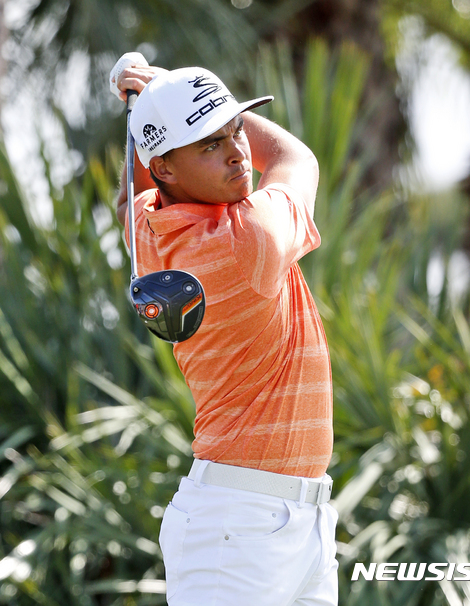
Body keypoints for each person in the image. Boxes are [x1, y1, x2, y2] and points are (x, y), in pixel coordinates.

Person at [110, 56, 338, 606]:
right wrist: (160, 83)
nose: (238, 151)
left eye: (236, 129)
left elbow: (127, 199)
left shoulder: (152, 236)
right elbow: (292, 156)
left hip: (293, 523)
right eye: (210, 143)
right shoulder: (249, 240)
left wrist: (156, 101)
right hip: (238, 529)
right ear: (163, 167)